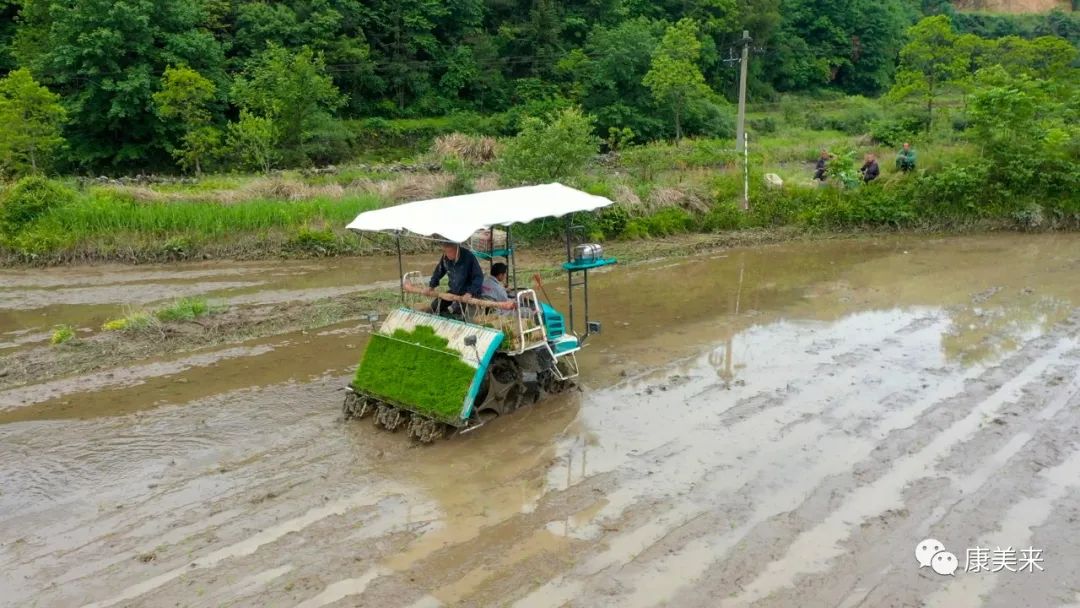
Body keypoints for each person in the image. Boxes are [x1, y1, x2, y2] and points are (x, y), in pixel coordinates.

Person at [426, 240, 484, 316]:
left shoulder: (468, 257)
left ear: (457, 250)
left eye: (450, 252)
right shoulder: (445, 257)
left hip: (470, 293)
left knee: (467, 316)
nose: (447, 254)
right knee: (435, 306)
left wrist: (469, 293)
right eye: (445, 252)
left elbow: (479, 277)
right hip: (455, 291)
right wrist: (431, 286)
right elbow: (439, 271)